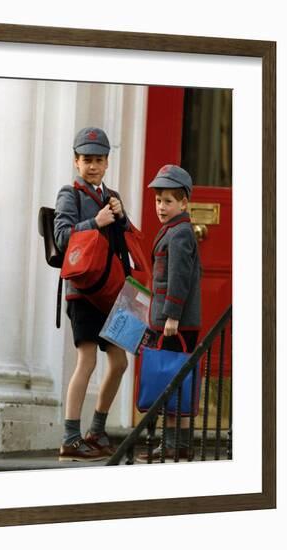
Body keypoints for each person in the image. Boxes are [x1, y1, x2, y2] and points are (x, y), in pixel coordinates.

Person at [54, 127, 130, 462]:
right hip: (83, 292)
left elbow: (124, 243)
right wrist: (95, 222)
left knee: (120, 361)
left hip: (112, 291)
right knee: (87, 359)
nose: (93, 166)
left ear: (107, 162)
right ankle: (71, 437)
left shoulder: (112, 195)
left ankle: (96, 431)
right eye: (87, 160)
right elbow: (61, 237)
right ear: (76, 161)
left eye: (99, 160)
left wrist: (122, 218)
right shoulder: (69, 194)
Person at [137, 164, 202, 462]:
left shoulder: (180, 234)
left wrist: (172, 316)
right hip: (169, 321)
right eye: (158, 200)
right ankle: (177, 445)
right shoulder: (172, 231)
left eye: (168, 201)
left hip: (176, 323)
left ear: (184, 202)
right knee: (176, 379)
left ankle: (175, 445)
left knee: (174, 381)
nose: (161, 207)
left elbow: (178, 277)